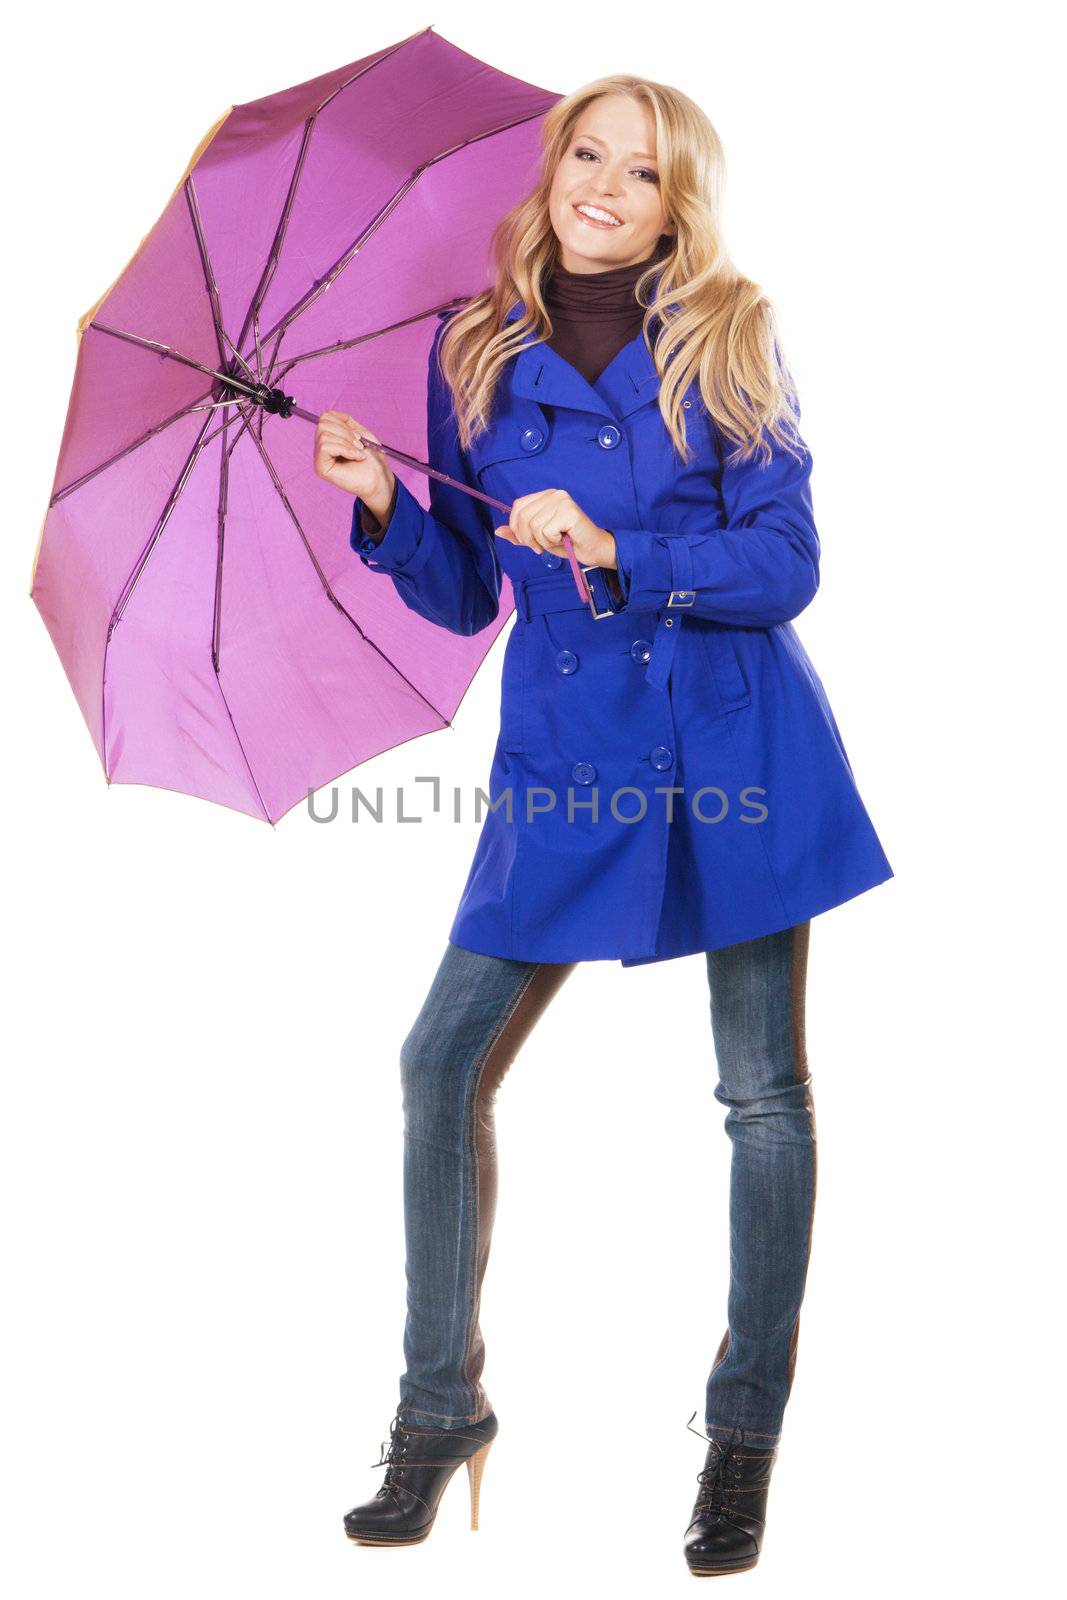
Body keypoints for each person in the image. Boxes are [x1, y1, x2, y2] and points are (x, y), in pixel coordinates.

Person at [314, 76, 893, 1575]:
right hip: (569, 757)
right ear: (554, 165)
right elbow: (462, 590)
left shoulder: (726, 332)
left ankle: (743, 1435)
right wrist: (387, 501)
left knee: (761, 1093)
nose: (603, 186)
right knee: (440, 1063)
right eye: (588, 153)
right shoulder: (475, 347)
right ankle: (440, 1407)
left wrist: (621, 548)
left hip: (731, 743)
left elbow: (787, 561)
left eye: (640, 172)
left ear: (671, 202)